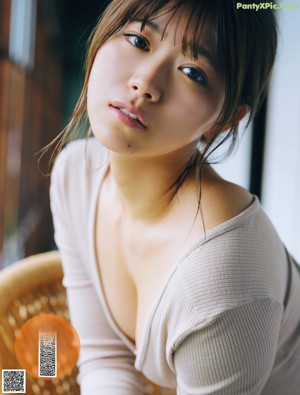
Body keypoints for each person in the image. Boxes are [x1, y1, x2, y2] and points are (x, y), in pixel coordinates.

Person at [49, 0, 300, 394]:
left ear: (225, 118)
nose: (145, 82)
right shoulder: (75, 178)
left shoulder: (221, 268)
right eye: (137, 39)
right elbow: (106, 359)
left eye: (193, 72)